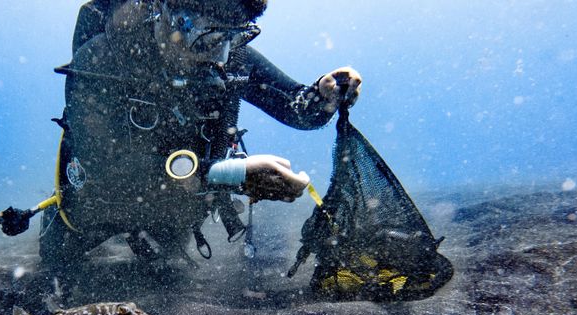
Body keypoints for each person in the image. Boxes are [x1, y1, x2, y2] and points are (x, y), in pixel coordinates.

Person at [39, 0, 362, 298]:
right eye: (196, 30)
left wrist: (323, 96)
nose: (213, 52)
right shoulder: (102, 58)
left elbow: (296, 109)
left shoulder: (231, 56)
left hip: (173, 208)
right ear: (159, 11)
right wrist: (234, 174)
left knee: (167, 267)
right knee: (57, 264)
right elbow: (107, 171)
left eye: (228, 36)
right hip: (96, 205)